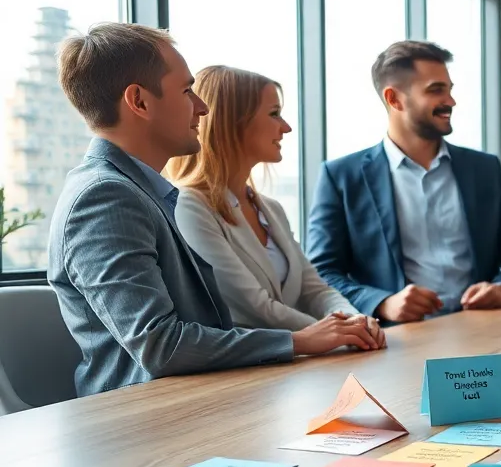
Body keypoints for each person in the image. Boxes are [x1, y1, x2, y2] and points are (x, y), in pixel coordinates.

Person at [47, 24, 381, 395]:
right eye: (187, 91)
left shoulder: (143, 193)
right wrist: (300, 341)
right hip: (141, 420)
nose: (202, 107)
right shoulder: (104, 198)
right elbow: (160, 345)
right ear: (139, 101)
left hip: (198, 398)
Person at [307, 40, 501, 322]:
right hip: (395, 343)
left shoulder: (484, 168)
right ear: (394, 99)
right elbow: (321, 272)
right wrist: (382, 303)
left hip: (481, 331)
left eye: (450, 90)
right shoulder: (341, 177)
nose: (451, 101)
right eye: (436, 90)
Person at [166, 66, 383, 349]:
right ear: (233, 122)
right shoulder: (190, 206)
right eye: (274, 114)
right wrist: (338, 334)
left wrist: (356, 321)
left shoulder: (271, 209)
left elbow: (313, 289)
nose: (286, 127)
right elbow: (257, 308)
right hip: (242, 374)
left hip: (293, 368)